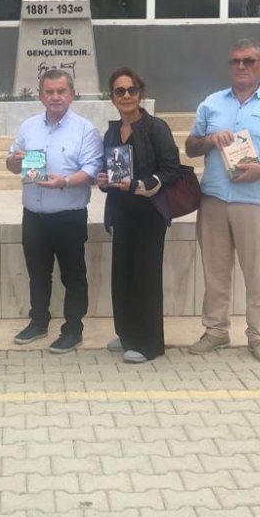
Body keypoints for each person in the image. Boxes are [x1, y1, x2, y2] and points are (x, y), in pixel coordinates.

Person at [185, 39, 260, 363]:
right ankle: (216, 331)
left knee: (257, 276)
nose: (241, 66)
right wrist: (209, 139)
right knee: (215, 274)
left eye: (248, 61)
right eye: (235, 61)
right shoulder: (211, 103)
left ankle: (259, 337)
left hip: (257, 202)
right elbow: (191, 147)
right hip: (214, 201)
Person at [6, 69, 103, 353]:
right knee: (37, 274)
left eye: (61, 91)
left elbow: (92, 170)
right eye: (49, 92)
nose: (55, 97)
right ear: (40, 96)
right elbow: (11, 163)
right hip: (33, 216)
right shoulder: (28, 127)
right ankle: (38, 322)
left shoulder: (85, 130)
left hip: (68, 216)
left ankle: (73, 329)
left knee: (73, 276)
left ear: (72, 95)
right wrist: (15, 161)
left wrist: (65, 182)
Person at [97, 67, 181, 363]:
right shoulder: (112, 131)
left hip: (149, 214)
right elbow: (109, 171)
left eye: (131, 90)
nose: (126, 96)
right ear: (112, 97)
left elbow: (171, 169)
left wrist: (141, 185)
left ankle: (148, 343)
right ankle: (127, 334)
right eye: (119, 91)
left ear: (140, 93)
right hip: (121, 213)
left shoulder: (156, 128)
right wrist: (103, 180)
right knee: (123, 275)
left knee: (146, 278)